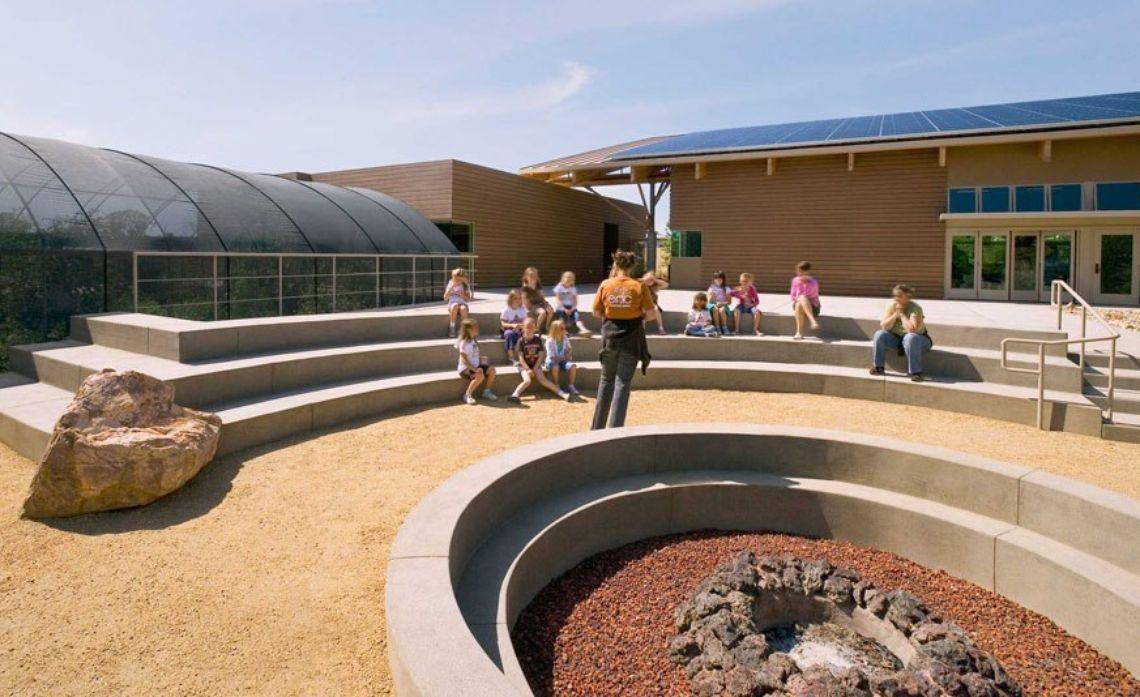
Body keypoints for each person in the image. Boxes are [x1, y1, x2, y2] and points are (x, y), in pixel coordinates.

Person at [591, 250, 654, 429]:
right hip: (632, 339)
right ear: (632, 266)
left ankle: (597, 429)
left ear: (616, 265)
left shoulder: (605, 284)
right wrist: (635, 315)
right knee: (623, 383)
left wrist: (613, 313)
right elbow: (650, 314)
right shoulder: (639, 286)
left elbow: (596, 312)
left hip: (610, 338)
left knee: (606, 380)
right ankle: (615, 430)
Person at [869, 283, 932, 382]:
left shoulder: (915, 308)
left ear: (908, 296)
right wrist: (895, 314)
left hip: (919, 340)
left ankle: (916, 373)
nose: (896, 298)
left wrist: (902, 314)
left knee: (910, 337)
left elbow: (912, 330)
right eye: (895, 296)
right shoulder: (892, 306)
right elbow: (884, 326)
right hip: (898, 339)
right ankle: (878, 367)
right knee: (879, 334)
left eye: (900, 296)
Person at [508, 317, 564, 402]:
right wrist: (527, 369)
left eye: (532, 327)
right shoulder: (521, 341)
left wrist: (536, 366)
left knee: (543, 380)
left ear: (535, 328)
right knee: (527, 381)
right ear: (523, 328)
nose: (529, 329)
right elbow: (520, 358)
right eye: (527, 327)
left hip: (536, 364)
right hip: (524, 366)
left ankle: (561, 393)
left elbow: (541, 355)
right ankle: (514, 395)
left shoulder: (537, 340)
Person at [455, 319, 497, 404]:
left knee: (492, 370)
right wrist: (475, 369)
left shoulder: (473, 340)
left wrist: (481, 359)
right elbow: (464, 361)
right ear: (468, 329)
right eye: (475, 327)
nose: (477, 328)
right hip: (465, 369)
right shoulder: (463, 343)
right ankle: (467, 395)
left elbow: (473, 355)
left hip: (476, 366)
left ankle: (486, 391)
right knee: (480, 376)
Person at [543, 320, 578, 398]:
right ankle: (556, 384)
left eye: (564, 328)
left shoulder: (565, 338)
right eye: (562, 329)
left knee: (573, 366)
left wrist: (568, 354)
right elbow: (552, 357)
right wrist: (565, 356)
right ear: (555, 330)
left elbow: (569, 350)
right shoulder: (550, 341)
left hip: (562, 360)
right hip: (552, 361)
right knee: (555, 367)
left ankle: (571, 385)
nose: (564, 330)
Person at [789, 261, 822, 340]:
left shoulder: (813, 282)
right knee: (800, 300)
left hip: (813, 306)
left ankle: (799, 333)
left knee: (801, 301)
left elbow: (813, 296)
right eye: (797, 271)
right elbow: (792, 296)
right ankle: (812, 321)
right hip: (799, 303)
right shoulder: (795, 280)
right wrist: (800, 285)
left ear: (806, 271)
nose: (798, 273)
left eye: (800, 271)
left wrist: (805, 283)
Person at [553, 271, 590, 335]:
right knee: (561, 317)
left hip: (571, 307)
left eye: (571, 278)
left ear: (573, 280)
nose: (568, 279)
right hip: (561, 307)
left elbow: (575, 302)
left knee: (577, 316)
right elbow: (558, 300)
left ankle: (583, 329)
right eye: (567, 277)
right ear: (563, 278)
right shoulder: (559, 287)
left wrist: (572, 309)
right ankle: (563, 331)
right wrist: (565, 309)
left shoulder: (573, 289)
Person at [520, 267, 553, 334]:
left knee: (550, 310)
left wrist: (545, 304)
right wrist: (529, 309)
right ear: (526, 277)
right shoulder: (525, 288)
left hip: (541, 302)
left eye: (535, 276)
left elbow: (542, 297)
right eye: (531, 276)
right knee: (543, 312)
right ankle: (537, 328)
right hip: (533, 305)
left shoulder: (538, 285)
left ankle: (546, 326)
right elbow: (525, 301)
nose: (533, 278)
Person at [500, 289, 527, 365]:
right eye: (515, 298)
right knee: (509, 335)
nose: (518, 300)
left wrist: (520, 326)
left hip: (520, 329)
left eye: (519, 298)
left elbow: (526, 322)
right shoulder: (507, 310)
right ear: (510, 299)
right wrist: (513, 325)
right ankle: (511, 358)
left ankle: (527, 357)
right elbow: (502, 324)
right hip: (508, 330)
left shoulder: (522, 310)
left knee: (528, 334)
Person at [443, 267, 472, 338]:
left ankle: (465, 330)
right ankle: (452, 327)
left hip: (462, 304)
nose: (457, 281)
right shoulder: (450, 284)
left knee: (463, 309)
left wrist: (462, 295)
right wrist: (451, 288)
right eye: (455, 278)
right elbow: (445, 298)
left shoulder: (465, 285)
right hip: (452, 305)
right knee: (455, 305)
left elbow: (468, 299)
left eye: (459, 279)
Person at [641, 271, 670, 335]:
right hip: (642, 306)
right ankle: (642, 326)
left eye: (651, 280)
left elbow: (666, 285)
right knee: (642, 310)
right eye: (648, 279)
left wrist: (655, 279)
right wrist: (644, 279)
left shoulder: (654, 287)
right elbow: (633, 280)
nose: (649, 281)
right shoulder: (640, 285)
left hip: (652, 306)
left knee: (656, 308)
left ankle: (661, 328)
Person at [706, 271, 733, 335]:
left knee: (722, 309)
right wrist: (712, 296)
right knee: (715, 309)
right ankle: (717, 327)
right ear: (714, 279)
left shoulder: (727, 288)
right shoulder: (711, 288)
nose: (718, 280)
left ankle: (724, 327)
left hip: (723, 304)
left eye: (720, 278)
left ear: (723, 279)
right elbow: (709, 301)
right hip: (713, 304)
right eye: (716, 278)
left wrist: (722, 303)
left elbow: (729, 302)